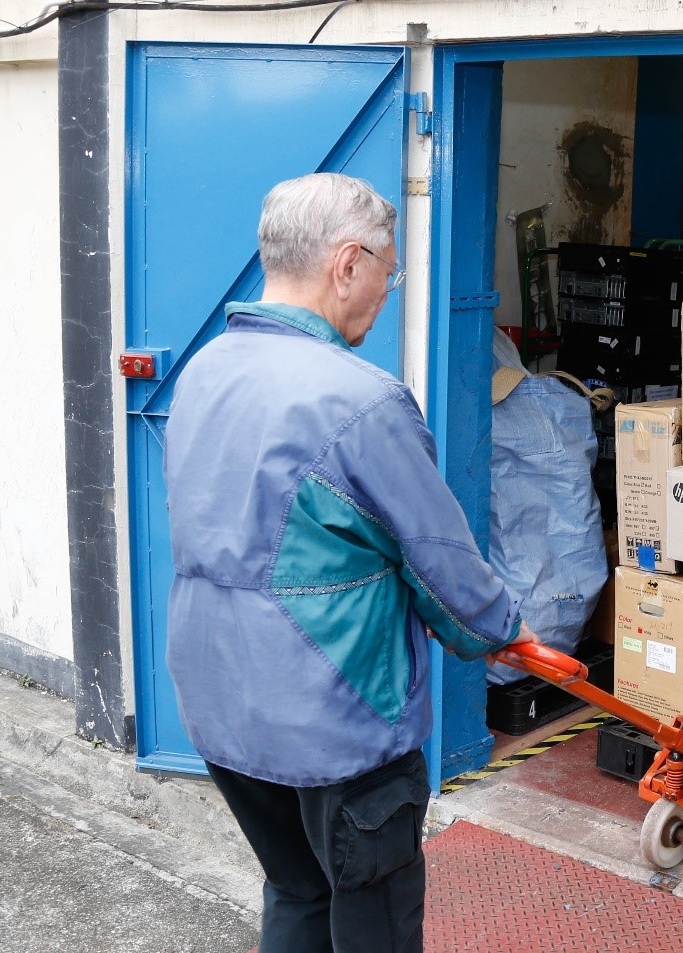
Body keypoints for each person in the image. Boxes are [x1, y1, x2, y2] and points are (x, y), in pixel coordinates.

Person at [163, 172, 537, 953]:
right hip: (333, 713)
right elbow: (439, 560)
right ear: (346, 263)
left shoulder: (201, 372)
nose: (385, 289)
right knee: (375, 918)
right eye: (387, 270)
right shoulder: (359, 399)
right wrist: (501, 629)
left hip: (220, 700)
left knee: (297, 889)